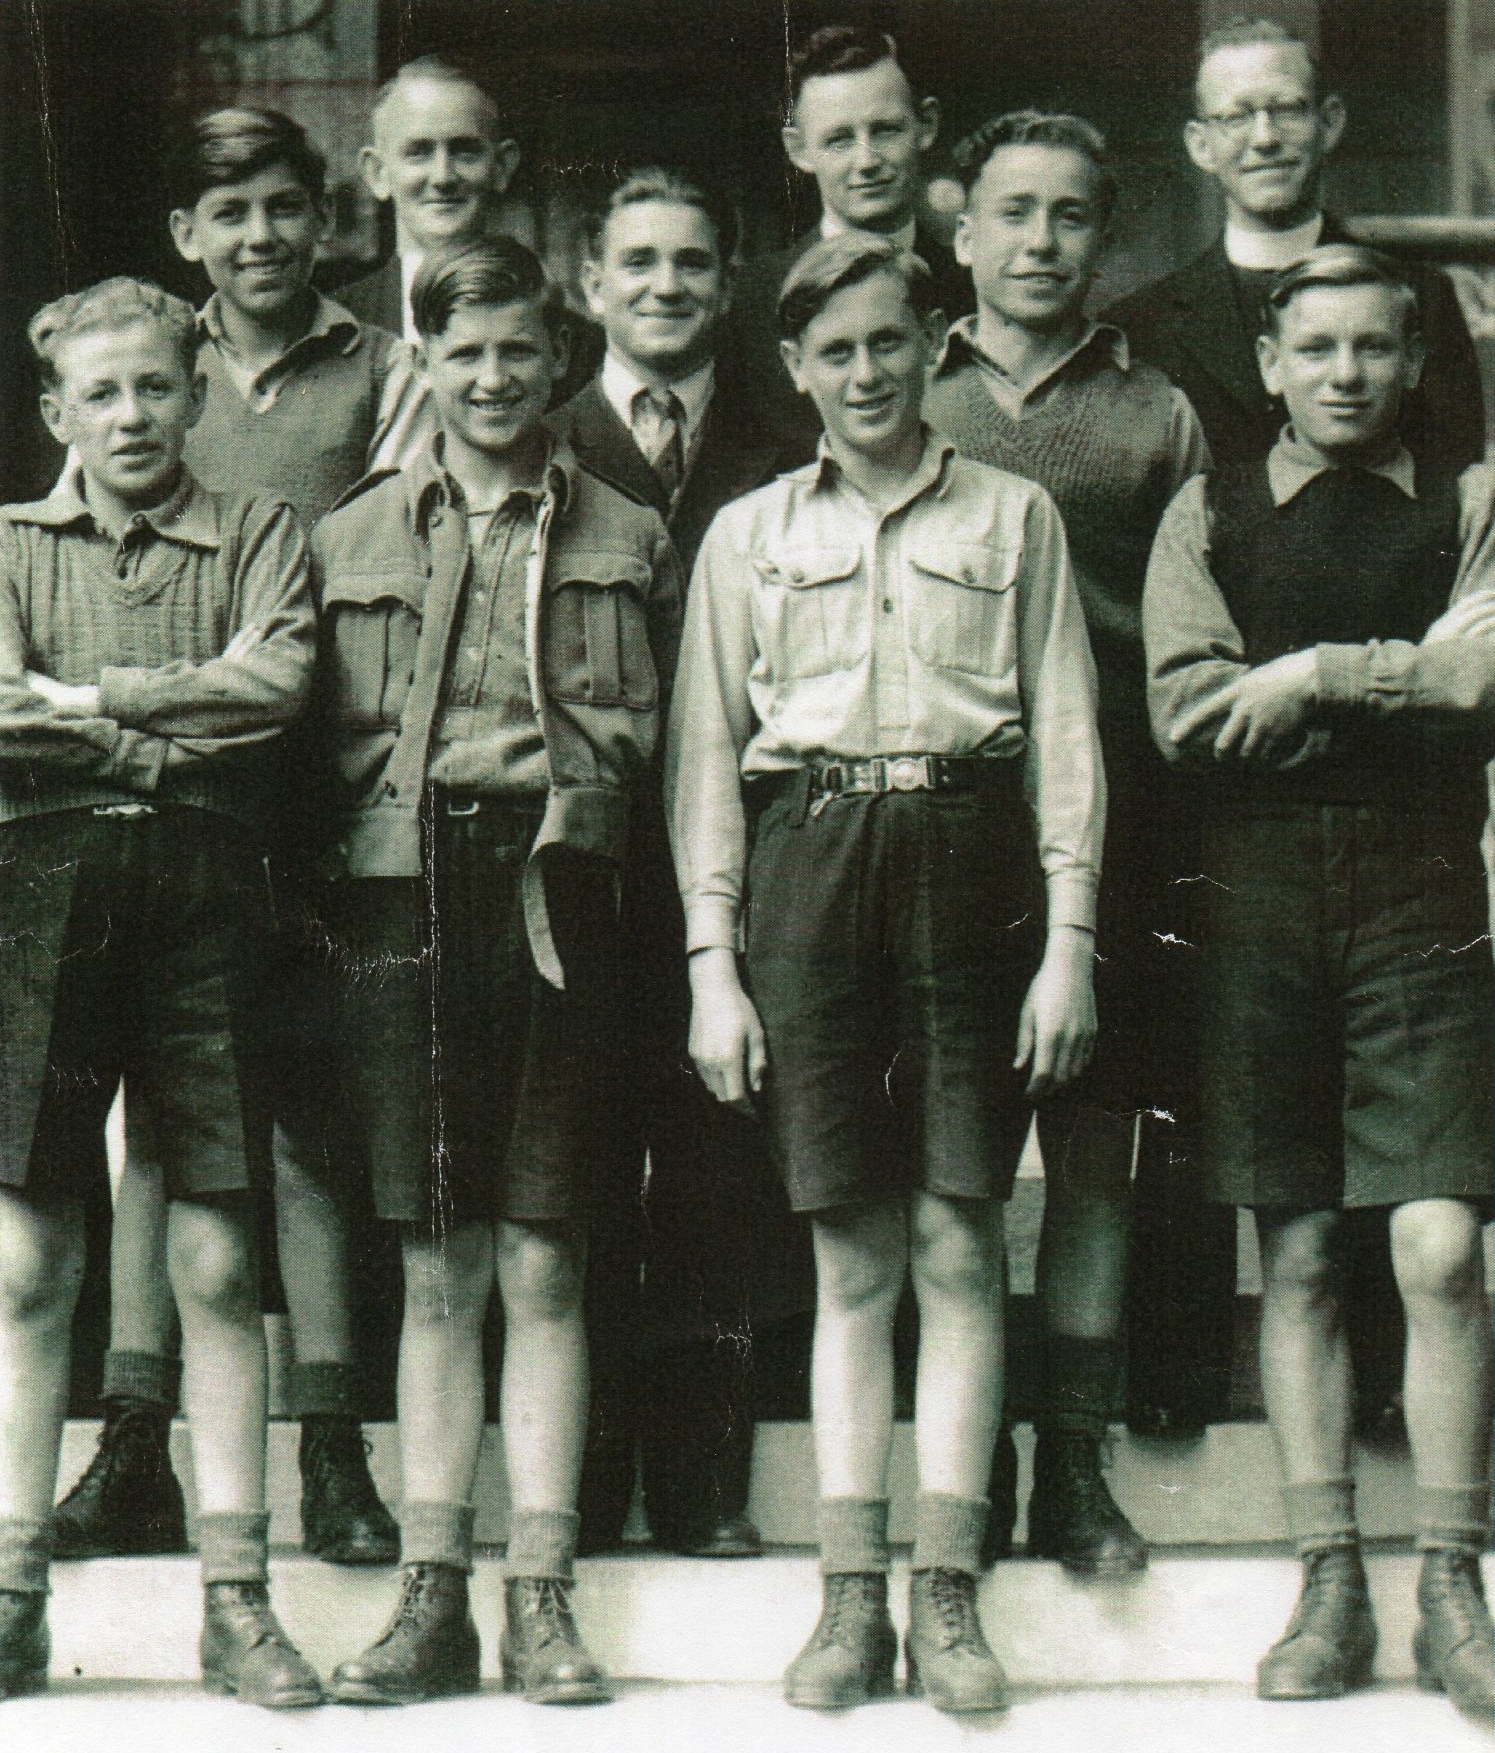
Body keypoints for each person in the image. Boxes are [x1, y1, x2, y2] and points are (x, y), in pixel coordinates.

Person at [667, 235, 1104, 1714]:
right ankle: (848, 1600)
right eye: (831, 351)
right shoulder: (746, 533)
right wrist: (710, 966)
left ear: (932, 345)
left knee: (962, 1246)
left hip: (970, 867)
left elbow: (1060, 733)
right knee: (848, 1257)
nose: (863, 372)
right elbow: (707, 770)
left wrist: (1067, 941)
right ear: (792, 369)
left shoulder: (1015, 511)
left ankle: (948, 1592)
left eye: (886, 342)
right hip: (810, 865)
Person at [51, 104, 430, 1572]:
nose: (262, 235)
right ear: (187, 236)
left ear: (322, 222)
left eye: (286, 206)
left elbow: (386, 557)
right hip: (167, 800)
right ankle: (136, 1436)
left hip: (318, 786)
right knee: (160, 1124)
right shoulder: (145, 357)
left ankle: (331, 1444)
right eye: (232, 213)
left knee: (309, 1121)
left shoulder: (381, 371)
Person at [1108, 14, 1488, 1435]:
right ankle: (1176, 1385)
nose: (1262, 135)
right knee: (1251, 1161)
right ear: (1199, 146)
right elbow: (1193, 664)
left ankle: (1402, 1422)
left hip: (1399, 834)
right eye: (1232, 116)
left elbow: (1460, 587)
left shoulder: (1421, 335)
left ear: (1325, 123)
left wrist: (1332, 674)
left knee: (1417, 1206)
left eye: (1287, 108)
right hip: (1224, 799)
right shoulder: (1153, 327)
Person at [315, 238, 680, 1708]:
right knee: (432, 1267)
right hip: (402, 896)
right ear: (423, 362)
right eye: (461, 353)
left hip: (566, 894)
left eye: (518, 351)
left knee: (546, 1251)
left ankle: (540, 1592)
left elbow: (667, 747)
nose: (491, 377)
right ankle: (428, 1594)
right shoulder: (348, 537)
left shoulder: (631, 529)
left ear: (559, 355)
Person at [1144, 244, 1495, 1724]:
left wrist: (1300, 679)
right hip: (1257, 904)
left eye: (1374, 348)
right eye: (1317, 349)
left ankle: (1452, 1580)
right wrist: (1383, 676)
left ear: (1417, 364)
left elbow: (1479, 682)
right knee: (1291, 1254)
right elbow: (1186, 716)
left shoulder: (1471, 502)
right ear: (1271, 365)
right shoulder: (1205, 508)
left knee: (1435, 1250)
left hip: (1421, 896)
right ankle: (1327, 1575)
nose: (1345, 373)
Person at [0, 278, 320, 1707]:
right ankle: (11, 1591)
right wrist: (163, 728)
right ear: (57, 413)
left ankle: (236, 1598)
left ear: (196, 396)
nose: (131, 415)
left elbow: (278, 685)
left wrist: (90, 709)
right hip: (42, 905)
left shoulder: (259, 534)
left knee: (216, 1263)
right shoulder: (7, 548)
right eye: (101, 393)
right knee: (27, 1264)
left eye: (155, 387)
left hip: (208, 909)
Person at [925, 109, 1210, 1574]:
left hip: (1122, 822)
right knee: (959, 1165)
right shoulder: (902, 392)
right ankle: (959, 1460)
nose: (1039, 242)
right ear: (959, 231)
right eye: (1011, 212)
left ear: (1105, 238)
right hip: (949, 829)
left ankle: (1074, 1464)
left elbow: (1181, 639)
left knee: (1091, 1150)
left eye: (1070, 216)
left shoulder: (1157, 411)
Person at [551, 164, 791, 1558]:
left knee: (716, 1165)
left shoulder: (776, 440)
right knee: (575, 1164)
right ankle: (578, 1481)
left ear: (729, 277)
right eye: (634, 260)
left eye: (690, 260)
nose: (662, 284)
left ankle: (702, 1482)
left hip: (742, 861)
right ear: (589, 282)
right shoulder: (537, 435)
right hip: (579, 869)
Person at [729, 23, 973, 460]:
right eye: (840, 139)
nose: (866, 161)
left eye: (885, 131)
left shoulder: (972, 290)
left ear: (926, 125)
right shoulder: (749, 300)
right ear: (799, 149)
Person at [336, 56, 521, 343]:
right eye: (418, 152)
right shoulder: (332, 328)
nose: (443, 177)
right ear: (378, 173)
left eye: (465, 151)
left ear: (501, 167)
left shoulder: (562, 332)